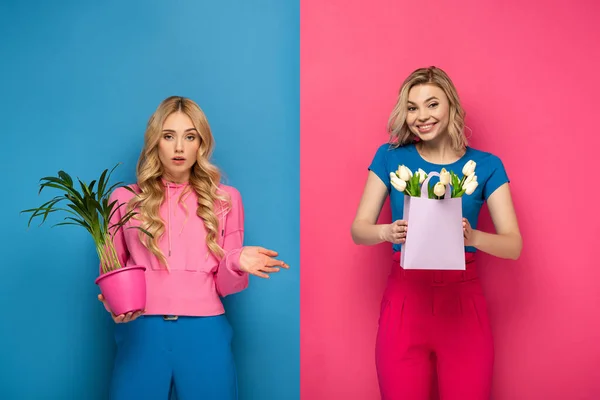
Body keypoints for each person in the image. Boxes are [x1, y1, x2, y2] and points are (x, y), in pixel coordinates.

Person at [97, 96, 289, 399]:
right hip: (142, 333)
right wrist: (112, 303)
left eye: (190, 136)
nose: (179, 148)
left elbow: (225, 285)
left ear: (201, 143)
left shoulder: (225, 199)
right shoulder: (123, 199)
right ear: (155, 142)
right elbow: (112, 273)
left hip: (205, 333)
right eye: (168, 136)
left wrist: (238, 260)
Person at [351, 66, 522, 400]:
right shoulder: (389, 158)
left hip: (463, 308)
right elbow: (359, 230)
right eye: (412, 108)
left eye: (432, 104)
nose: (421, 116)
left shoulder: (487, 166)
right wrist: (387, 232)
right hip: (403, 303)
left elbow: (513, 245)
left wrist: (472, 238)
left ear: (451, 107)